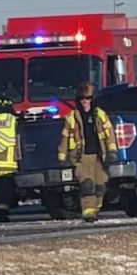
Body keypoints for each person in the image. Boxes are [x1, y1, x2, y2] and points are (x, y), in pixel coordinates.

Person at [58, 82, 117, 222]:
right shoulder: (72, 117)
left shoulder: (100, 115)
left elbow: (109, 134)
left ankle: (96, 208)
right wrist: (62, 156)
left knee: (100, 185)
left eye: (88, 98)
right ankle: (88, 213)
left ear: (93, 99)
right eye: (82, 99)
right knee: (87, 184)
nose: (85, 101)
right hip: (81, 157)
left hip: (98, 156)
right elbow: (65, 137)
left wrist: (112, 151)